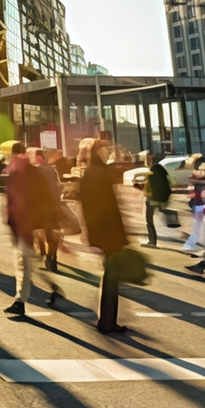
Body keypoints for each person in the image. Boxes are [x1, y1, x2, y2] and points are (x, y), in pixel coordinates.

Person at [2, 144, 62, 315]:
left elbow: (19, 202)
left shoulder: (20, 173)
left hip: (24, 225)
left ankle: (20, 301)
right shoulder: (30, 173)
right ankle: (53, 289)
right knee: (29, 262)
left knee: (24, 262)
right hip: (27, 224)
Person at [78, 139, 128, 334]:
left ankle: (106, 320)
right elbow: (110, 208)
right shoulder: (101, 174)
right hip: (109, 231)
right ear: (98, 153)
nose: (108, 154)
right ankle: (107, 322)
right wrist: (120, 235)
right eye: (105, 151)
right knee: (111, 278)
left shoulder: (89, 173)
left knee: (109, 275)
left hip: (100, 230)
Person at [31, 148, 65, 273]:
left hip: (41, 207)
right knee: (52, 234)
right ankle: (52, 260)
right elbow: (57, 187)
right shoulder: (51, 170)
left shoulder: (36, 171)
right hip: (53, 206)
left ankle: (46, 256)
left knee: (40, 231)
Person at [141, 152, 173, 248]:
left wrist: (147, 194)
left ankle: (152, 241)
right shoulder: (161, 170)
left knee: (149, 220)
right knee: (154, 216)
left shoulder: (152, 171)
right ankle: (152, 240)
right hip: (161, 197)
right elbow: (169, 182)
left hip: (152, 198)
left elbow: (150, 186)